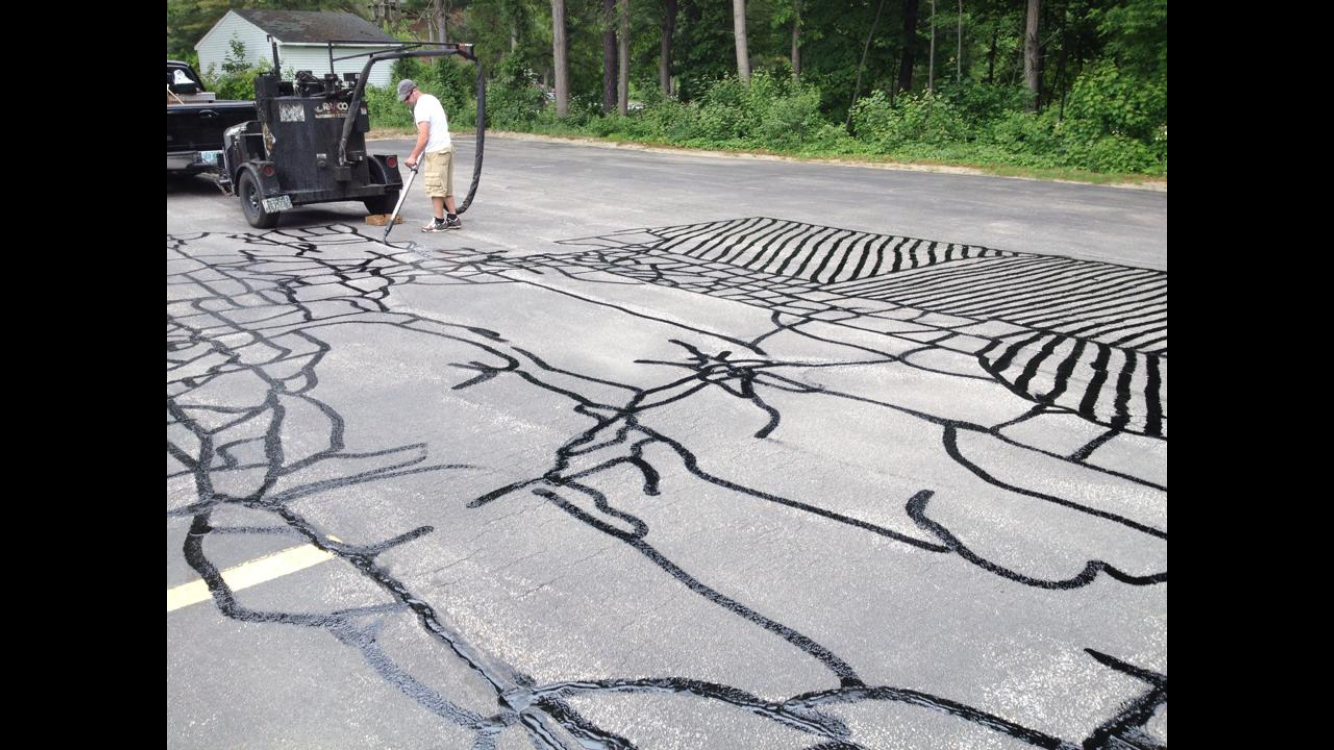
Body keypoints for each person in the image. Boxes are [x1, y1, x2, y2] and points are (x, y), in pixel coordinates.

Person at [397, 79, 462, 232]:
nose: (406, 102)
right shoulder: (432, 99)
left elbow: (424, 135)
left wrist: (413, 156)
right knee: (445, 186)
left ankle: (439, 221)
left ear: (414, 91)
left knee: (435, 188)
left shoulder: (420, 107)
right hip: (446, 147)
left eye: (407, 98)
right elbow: (444, 120)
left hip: (436, 151)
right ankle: (453, 218)